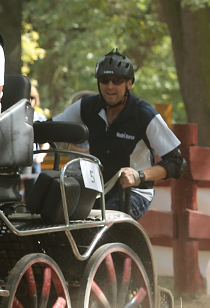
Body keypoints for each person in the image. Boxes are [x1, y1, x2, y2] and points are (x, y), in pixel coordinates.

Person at [52, 50, 186, 219]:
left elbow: (177, 163)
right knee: (58, 217)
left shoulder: (143, 114)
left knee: (105, 221)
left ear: (129, 83)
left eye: (117, 81)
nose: (110, 86)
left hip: (134, 192)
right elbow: (50, 128)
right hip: (96, 189)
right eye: (104, 80)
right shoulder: (87, 107)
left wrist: (139, 176)